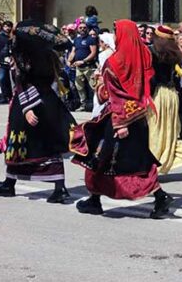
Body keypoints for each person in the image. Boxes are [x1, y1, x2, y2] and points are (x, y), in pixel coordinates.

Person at [70, 20, 172, 219]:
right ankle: (96, 198)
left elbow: (116, 95)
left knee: (102, 158)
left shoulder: (115, 62)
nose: (115, 36)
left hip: (119, 119)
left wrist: (119, 121)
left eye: (117, 32)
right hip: (140, 116)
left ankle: (158, 197)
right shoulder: (144, 55)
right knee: (139, 159)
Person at [0, 22, 76, 203]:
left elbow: (24, 81)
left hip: (29, 102)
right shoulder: (47, 54)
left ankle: (11, 185)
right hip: (48, 101)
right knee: (48, 144)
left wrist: (27, 107)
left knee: (21, 142)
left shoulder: (25, 55)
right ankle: (58, 187)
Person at [147, 26, 182, 180]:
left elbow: (151, 77)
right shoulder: (175, 53)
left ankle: (152, 167)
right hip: (172, 94)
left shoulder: (151, 51)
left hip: (158, 94)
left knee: (155, 131)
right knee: (169, 133)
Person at [69, 18, 98, 112]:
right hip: (78, 68)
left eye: (84, 28)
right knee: (79, 87)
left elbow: (93, 53)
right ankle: (83, 104)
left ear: (87, 29)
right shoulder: (76, 40)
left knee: (94, 86)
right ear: (78, 29)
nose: (82, 29)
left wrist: (83, 61)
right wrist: (69, 61)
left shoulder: (91, 39)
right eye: (80, 27)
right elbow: (73, 52)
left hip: (89, 67)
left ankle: (98, 105)